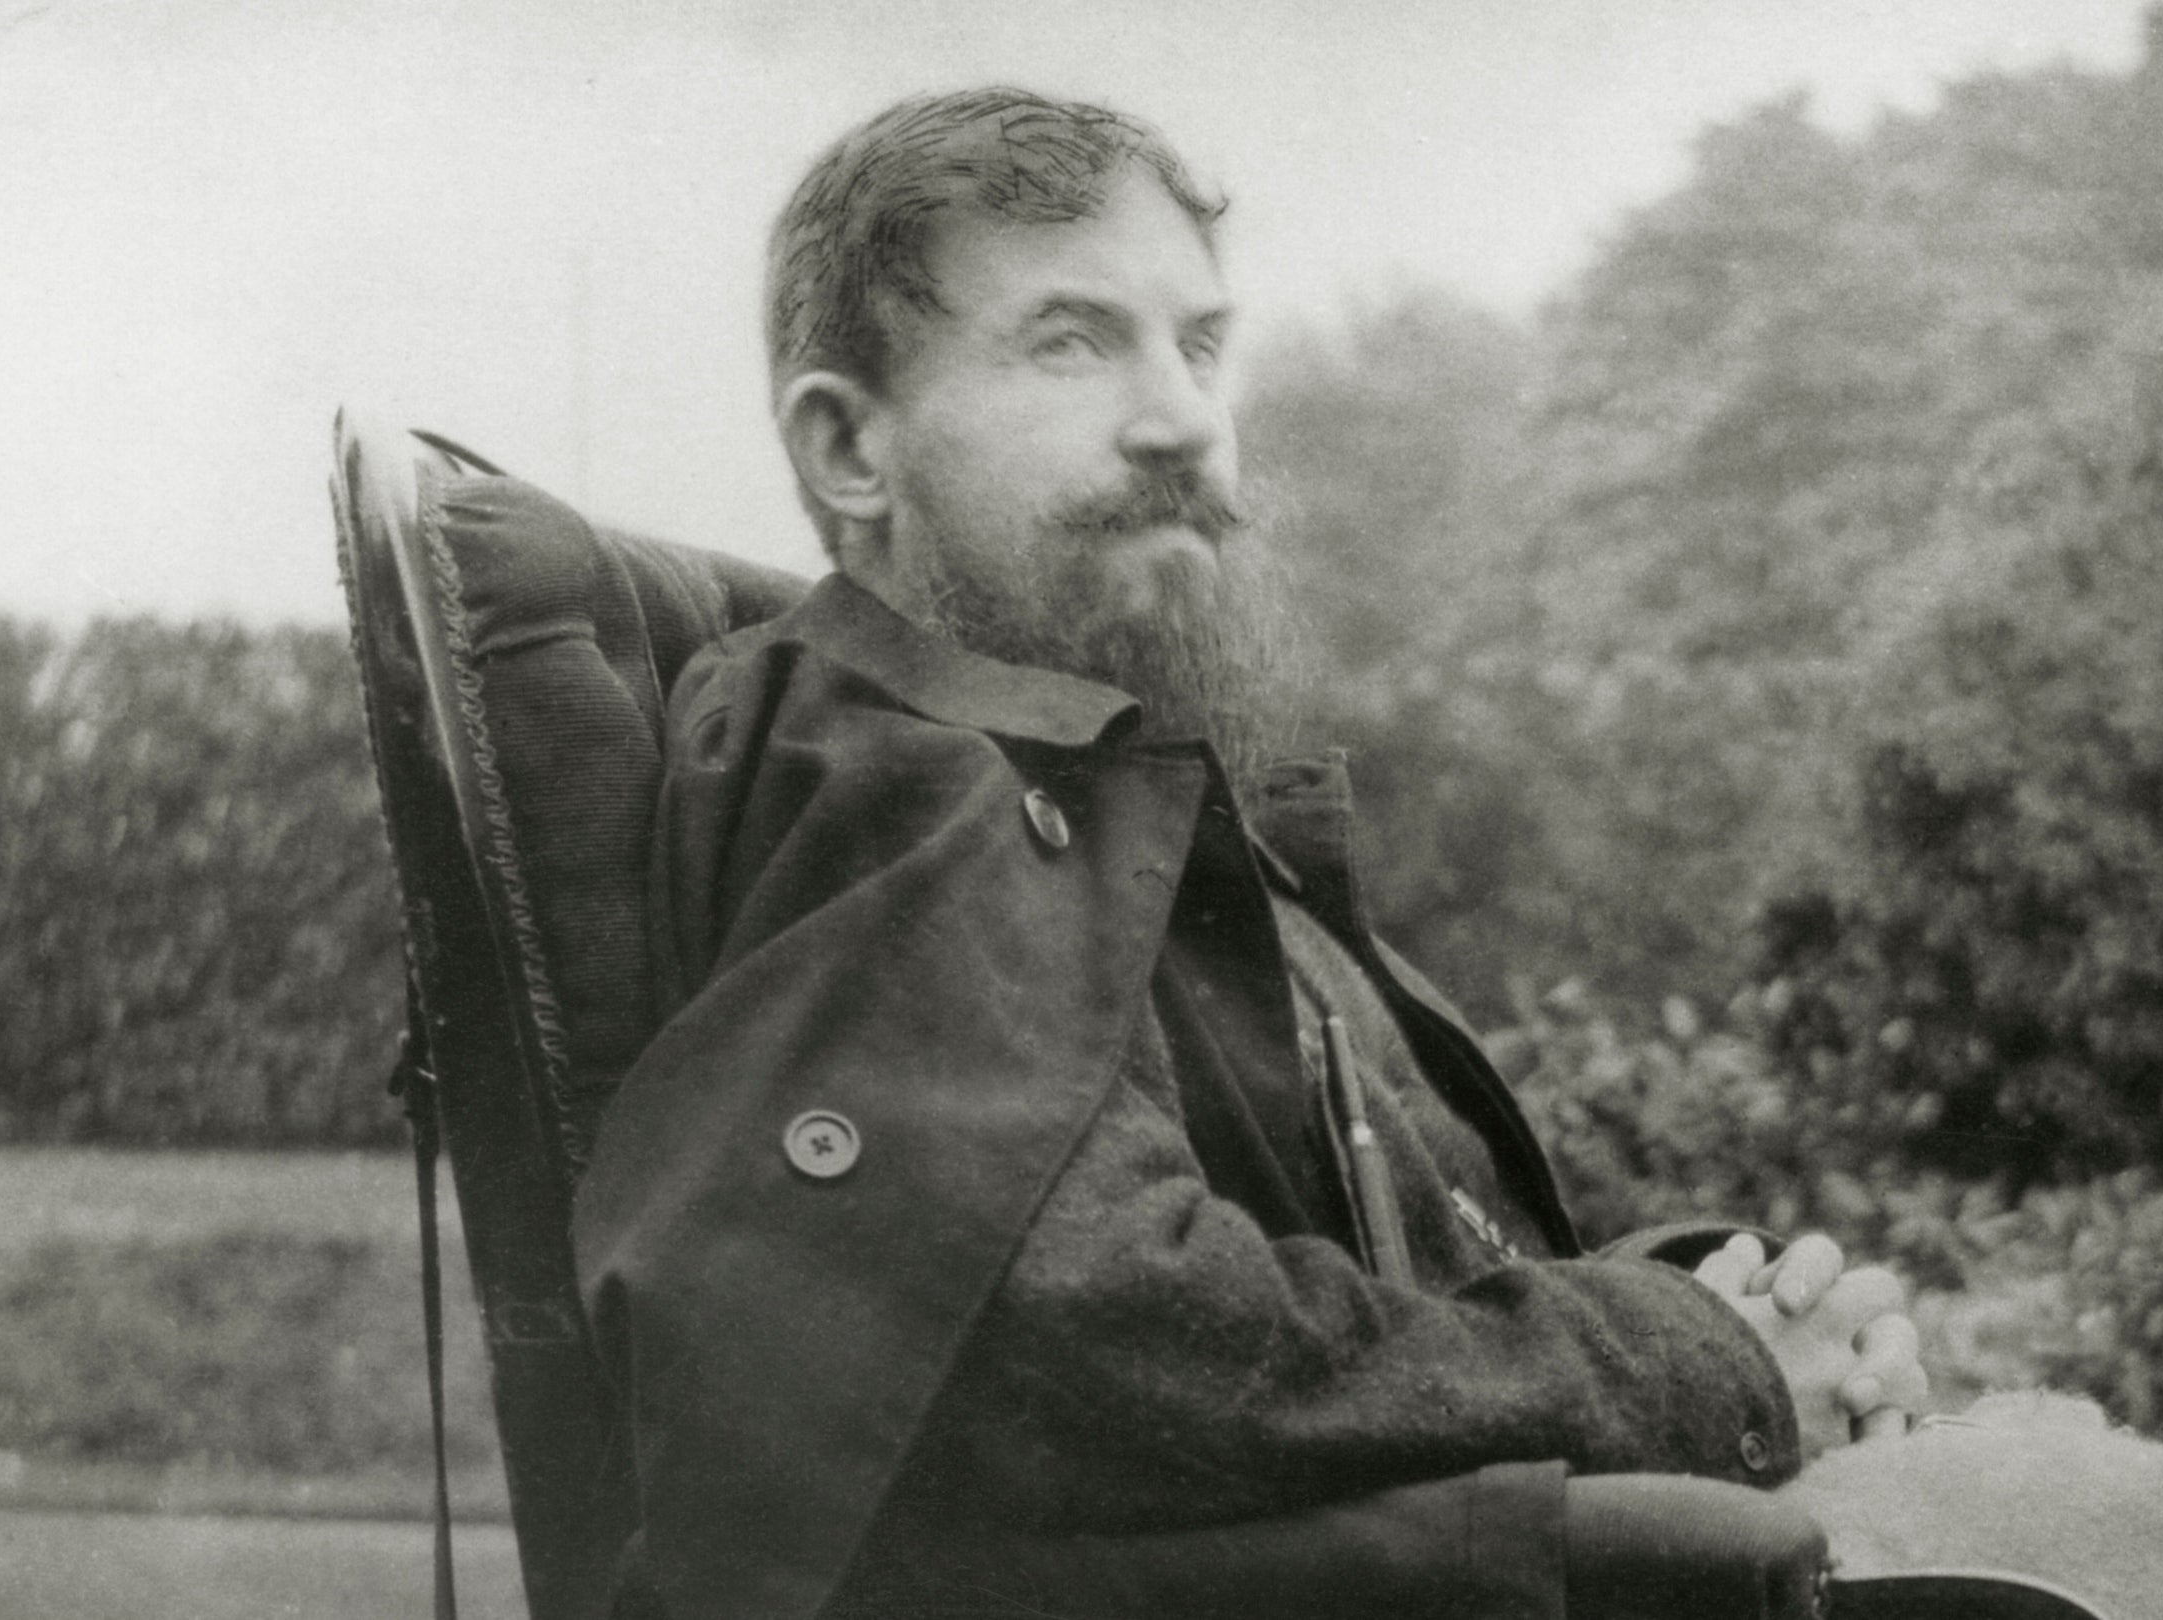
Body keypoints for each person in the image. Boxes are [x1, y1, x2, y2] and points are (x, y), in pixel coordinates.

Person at [571, 86, 1929, 1620]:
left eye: (1200, 345)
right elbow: (1100, 1338)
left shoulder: (1088, 788)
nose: (1182, 421)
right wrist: (1701, 1366)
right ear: (848, 448)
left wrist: (1719, 1306)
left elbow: (1365, 1281)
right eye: (1072, 343)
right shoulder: (905, 768)